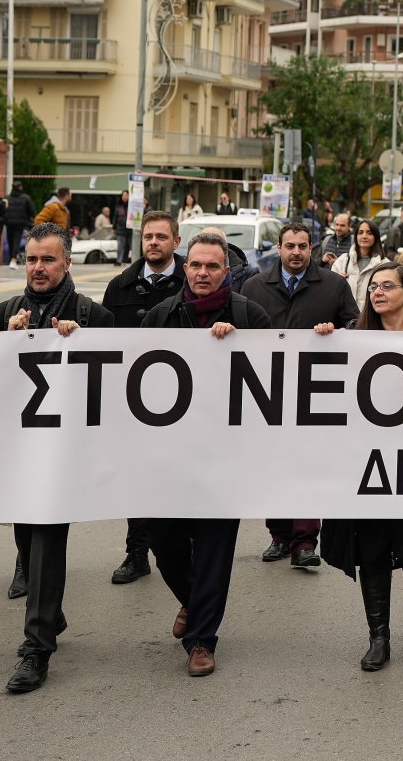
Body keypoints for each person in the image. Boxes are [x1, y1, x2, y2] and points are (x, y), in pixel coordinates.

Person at [136, 230, 270, 676]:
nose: (203, 273)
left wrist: (238, 347)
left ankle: (202, 640)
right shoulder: (159, 316)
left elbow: (278, 374)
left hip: (225, 456)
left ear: (226, 271)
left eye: (212, 266)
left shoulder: (250, 316)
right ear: (184, 267)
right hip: (168, 457)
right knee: (163, 542)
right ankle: (193, 603)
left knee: (214, 547)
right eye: (195, 265)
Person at [316, 261, 403, 671]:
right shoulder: (356, 338)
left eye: (387, 285)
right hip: (368, 460)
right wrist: (323, 342)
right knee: (371, 547)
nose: (378, 292)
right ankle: (379, 636)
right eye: (373, 286)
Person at [0, 223, 92, 693]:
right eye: (31, 259)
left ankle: (36, 649)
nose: (38, 268)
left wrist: (81, 339)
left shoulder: (94, 315)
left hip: (65, 454)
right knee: (27, 538)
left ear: (67, 263)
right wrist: (6, 343)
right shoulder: (3, 313)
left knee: (47, 539)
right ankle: (49, 612)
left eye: (48, 260)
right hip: (17, 451)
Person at [240, 223, 361, 569]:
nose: (296, 252)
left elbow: (355, 328)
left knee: (308, 465)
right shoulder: (254, 286)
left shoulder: (334, 286)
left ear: (311, 249)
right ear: (278, 248)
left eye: (302, 246)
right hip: (268, 392)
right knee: (274, 465)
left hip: (317, 392)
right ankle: (279, 535)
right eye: (289, 246)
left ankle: (305, 541)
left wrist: (336, 331)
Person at [95, 209, 186, 585]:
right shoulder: (121, 286)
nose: (153, 243)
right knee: (136, 478)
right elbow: (103, 337)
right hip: (134, 402)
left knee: (178, 477)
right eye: (148, 236)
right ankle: (137, 553)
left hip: (182, 402)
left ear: (175, 242)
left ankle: (183, 549)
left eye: (161, 237)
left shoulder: (191, 280)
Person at [114, 190, 133, 265]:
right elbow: (115, 218)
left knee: (130, 246)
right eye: (123, 195)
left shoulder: (132, 206)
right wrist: (114, 227)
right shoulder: (119, 206)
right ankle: (119, 261)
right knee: (120, 246)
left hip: (130, 230)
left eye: (126, 195)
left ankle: (127, 260)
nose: (124, 197)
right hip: (121, 230)